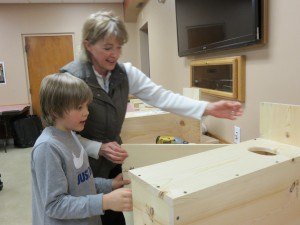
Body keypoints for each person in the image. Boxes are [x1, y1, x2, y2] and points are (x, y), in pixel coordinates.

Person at [60, 11, 243, 225]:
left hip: (111, 165)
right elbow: (59, 134)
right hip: (80, 167)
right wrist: (96, 147)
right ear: (88, 45)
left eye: (119, 46)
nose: (115, 54)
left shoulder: (124, 73)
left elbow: (162, 97)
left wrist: (208, 108)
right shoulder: (71, 78)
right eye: (107, 48)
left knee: (113, 217)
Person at [31, 73, 132, 225]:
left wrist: (109, 184)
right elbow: (55, 205)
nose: (86, 112)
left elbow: (82, 184)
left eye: (86, 105)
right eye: (79, 107)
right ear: (54, 110)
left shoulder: (71, 136)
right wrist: (104, 202)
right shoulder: (48, 148)